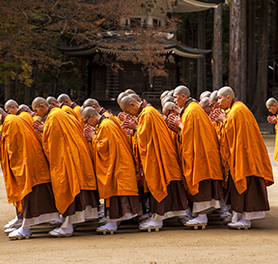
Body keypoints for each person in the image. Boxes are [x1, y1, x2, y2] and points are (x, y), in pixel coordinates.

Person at [0, 108, 59, 240]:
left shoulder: (11, 122)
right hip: (28, 161)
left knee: (29, 194)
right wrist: (1, 137)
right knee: (32, 194)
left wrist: (1, 138)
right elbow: (12, 141)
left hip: (27, 163)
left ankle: (26, 228)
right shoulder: (9, 122)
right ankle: (26, 224)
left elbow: (14, 146)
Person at [119, 94, 188, 232]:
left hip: (159, 157)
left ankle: (158, 218)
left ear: (133, 105)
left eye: (127, 111)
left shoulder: (148, 113)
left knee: (159, 182)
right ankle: (157, 216)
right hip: (160, 155)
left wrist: (135, 127)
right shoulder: (147, 112)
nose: (127, 114)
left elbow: (145, 136)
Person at [32, 96, 99, 237]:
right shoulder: (60, 114)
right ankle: (70, 221)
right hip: (75, 155)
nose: (36, 114)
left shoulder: (55, 117)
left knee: (67, 188)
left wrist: (44, 131)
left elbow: (54, 142)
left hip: (67, 158)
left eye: (36, 110)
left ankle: (69, 225)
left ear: (43, 106)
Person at [212, 86, 273, 230]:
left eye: (220, 98)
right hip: (243, 154)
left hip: (246, 156)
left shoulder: (237, 111)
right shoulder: (235, 110)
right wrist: (224, 120)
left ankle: (246, 219)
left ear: (228, 98)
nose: (218, 102)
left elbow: (233, 132)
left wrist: (224, 121)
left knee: (247, 187)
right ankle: (240, 217)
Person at [169, 85, 224, 229]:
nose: (174, 100)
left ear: (183, 97)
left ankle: (202, 216)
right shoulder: (191, 109)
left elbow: (189, 134)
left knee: (201, 182)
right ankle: (201, 215)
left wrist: (179, 125)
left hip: (200, 155)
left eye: (175, 97)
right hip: (203, 152)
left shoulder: (192, 110)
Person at [81, 107, 141, 234]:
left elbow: (104, 147)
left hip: (117, 165)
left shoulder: (106, 125)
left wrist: (93, 138)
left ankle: (113, 223)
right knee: (115, 192)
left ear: (92, 116)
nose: (86, 125)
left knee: (115, 191)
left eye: (86, 121)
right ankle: (113, 220)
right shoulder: (106, 122)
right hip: (118, 163)